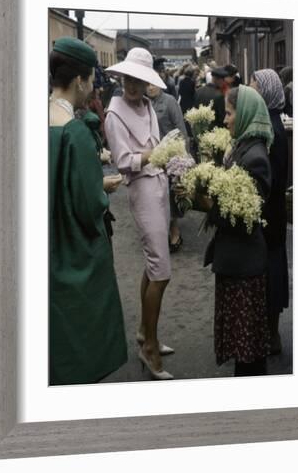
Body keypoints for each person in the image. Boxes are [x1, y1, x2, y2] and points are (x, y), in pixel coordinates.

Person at [49, 37, 127, 385]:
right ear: (79, 81)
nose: (93, 86)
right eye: (91, 79)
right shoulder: (75, 134)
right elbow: (88, 205)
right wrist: (102, 189)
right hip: (72, 248)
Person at [187, 85, 273, 376]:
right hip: (237, 262)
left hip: (244, 264)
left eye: (229, 112)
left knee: (248, 352)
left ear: (245, 113)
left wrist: (203, 201)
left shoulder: (255, 156)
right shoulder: (242, 146)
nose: (224, 120)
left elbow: (243, 217)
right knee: (244, 347)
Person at [105, 48, 174, 380]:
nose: (132, 85)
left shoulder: (148, 106)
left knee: (153, 262)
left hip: (160, 184)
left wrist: (171, 159)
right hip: (142, 189)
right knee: (162, 271)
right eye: (129, 78)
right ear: (121, 77)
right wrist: (150, 155)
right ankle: (149, 346)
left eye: (140, 79)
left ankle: (146, 334)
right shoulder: (113, 114)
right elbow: (122, 161)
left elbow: (159, 147)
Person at [250, 69, 290, 354]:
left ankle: (272, 335)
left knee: (272, 270)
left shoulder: (273, 130)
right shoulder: (269, 123)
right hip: (271, 212)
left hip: (271, 214)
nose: (250, 89)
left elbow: (270, 180)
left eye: (254, 86)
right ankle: (268, 332)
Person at [145, 81, 188, 252]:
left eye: (153, 84)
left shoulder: (169, 101)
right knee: (156, 196)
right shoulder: (144, 103)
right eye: (146, 85)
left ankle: (174, 231)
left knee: (170, 194)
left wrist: (183, 157)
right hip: (150, 157)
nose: (150, 87)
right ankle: (161, 232)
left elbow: (181, 129)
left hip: (170, 155)